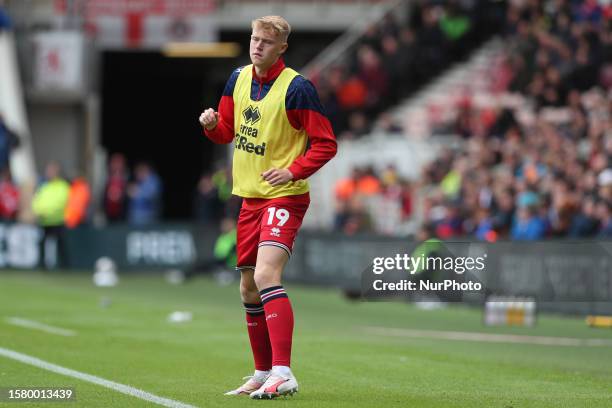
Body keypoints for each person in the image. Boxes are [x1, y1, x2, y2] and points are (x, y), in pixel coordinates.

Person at [199, 15, 337, 399]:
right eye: (254, 39)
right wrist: (212, 125)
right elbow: (227, 131)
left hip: (286, 196)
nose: (257, 46)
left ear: (282, 48)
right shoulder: (238, 78)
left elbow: (326, 144)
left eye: (266, 42)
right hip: (250, 197)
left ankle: (284, 371)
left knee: (265, 276)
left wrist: (292, 170)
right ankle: (262, 372)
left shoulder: (298, 89)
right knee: (247, 288)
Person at [32, 161, 70, 269]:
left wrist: (47, 212)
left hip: (57, 220)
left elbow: (61, 201)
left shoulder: (62, 186)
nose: (48, 173)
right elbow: (37, 200)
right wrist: (38, 211)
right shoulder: (44, 186)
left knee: (61, 245)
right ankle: (42, 265)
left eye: (51, 171)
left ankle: (65, 267)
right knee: (42, 243)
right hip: (44, 221)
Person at [127, 161, 162, 226]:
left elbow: (152, 196)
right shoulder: (138, 182)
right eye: (137, 172)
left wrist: (137, 192)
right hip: (135, 217)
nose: (137, 174)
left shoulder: (153, 181)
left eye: (140, 171)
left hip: (149, 217)